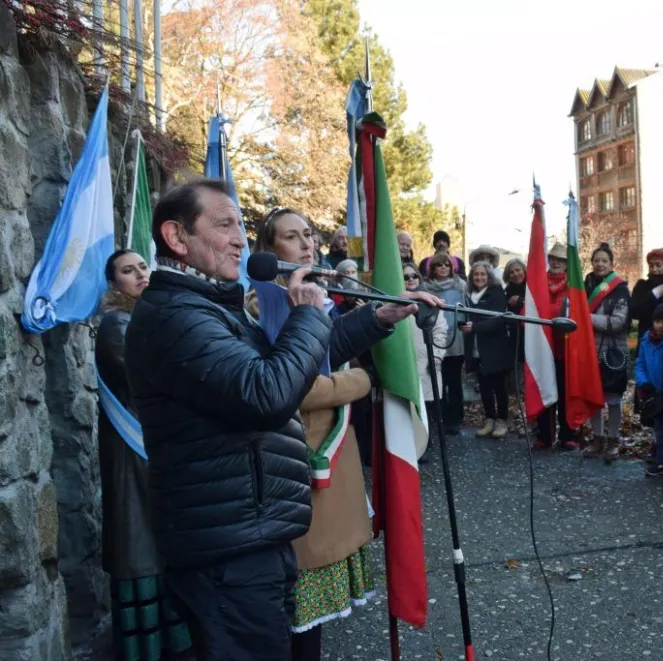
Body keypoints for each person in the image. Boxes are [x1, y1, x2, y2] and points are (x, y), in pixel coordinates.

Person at [124, 180, 429, 660]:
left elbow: (292, 361)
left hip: (251, 534)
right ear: (177, 238)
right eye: (224, 225)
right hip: (228, 546)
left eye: (241, 227)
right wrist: (307, 316)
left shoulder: (205, 305)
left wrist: (377, 319)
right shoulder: (176, 315)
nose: (239, 239)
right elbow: (267, 393)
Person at [245, 208, 378, 660]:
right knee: (293, 618)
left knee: (311, 627)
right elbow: (293, 387)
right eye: (291, 237)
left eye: (309, 234)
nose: (306, 244)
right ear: (267, 251)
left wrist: (381, 317)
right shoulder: (260, 306)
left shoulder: (316, 302)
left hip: (330, 459)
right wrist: (357, 385)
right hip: (294, 467)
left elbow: (334, 355)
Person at [97, 249, 193, 661]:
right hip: (133, 447)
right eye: (126, 271)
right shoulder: (116, 324)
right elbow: (151, 379)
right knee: (140, 543)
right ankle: (147, 648)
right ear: (113, 284)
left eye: (141, 267)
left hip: (161, 444)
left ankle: (180, 640)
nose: (139, 274)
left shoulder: (152, 316)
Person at [582, 243, 631, 462]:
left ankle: (613, 440)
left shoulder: (620, 289)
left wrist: (586, 318)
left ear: (611, 264)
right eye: (596, 260)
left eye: (604, 261)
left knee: (612, 399)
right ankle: (597, 438)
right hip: (589, 350)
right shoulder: (585, 286)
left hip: (612, 351)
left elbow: (619, 322)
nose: (600, 264)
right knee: (593, 398)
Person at [463, 262, 515, 439]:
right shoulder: (469, 294)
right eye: (476, 275)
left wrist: (475, 327)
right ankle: (490, 419)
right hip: (476, 349)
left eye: (483, 275)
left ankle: (502, 421)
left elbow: (498, 320)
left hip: (495, 349)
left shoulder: (497, 293)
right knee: (484, 387)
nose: (479, 278)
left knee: (499, 387)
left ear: (489, 276)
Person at [536, 242, 577, 450]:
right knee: (543, 388)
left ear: (567, 264)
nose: (556, 263)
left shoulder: (573, 285)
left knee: (565, 390)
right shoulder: (539, 282)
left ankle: (568, 434)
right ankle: (544, 434)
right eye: (553, 259)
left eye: (560, 260)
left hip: (565, 346)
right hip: (543, 345)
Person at [404, 263, 447, 453]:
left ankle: (426, 444)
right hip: (404, 363)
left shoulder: (431, 302)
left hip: (427, 361)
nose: (411, 279)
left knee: (427, 406)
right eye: (406, 277)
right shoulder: (391, 302)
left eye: (414, 275)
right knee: (406, 406)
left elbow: (441, 332)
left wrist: (436, 357)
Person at [424, 251, 469, 435]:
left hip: (456, 338)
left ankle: (455, 419)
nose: (443, 267)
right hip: (436, 337)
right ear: (433, 268)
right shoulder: (426, 288)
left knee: (454, 381)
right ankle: (438, 416)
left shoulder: (460, 285)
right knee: (437, 379)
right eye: (439, 264)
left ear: (451, 267)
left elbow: (466, 309)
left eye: (446, 264)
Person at [635, 303, 663, 477]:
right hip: (652, 391)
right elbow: (640, 363)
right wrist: (644, 382)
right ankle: (660, 454)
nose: (661, 326)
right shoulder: (646, 340)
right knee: (657, 427)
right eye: (658, 321)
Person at [630, 247, 663, 346]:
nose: (654, 269)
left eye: (658, 265)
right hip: (647, 342)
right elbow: (634, 312)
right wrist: (652, 296)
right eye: (651, 265)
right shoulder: (642, 285)